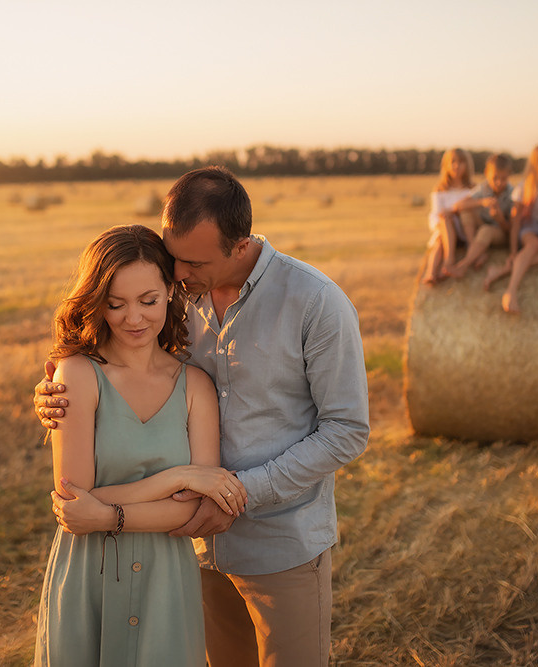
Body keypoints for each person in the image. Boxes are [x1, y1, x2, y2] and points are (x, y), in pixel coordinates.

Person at [35, 167, 370, 666]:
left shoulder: (315, 302)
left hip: (279, 542)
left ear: (240, 246)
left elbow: (346, 431)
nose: (177, 274)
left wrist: (236, 492)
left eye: (192, 262)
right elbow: (125, 359)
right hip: (188, 547)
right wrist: (58, 392)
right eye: (173, 257)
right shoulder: (177, 294)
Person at [33, 224, 247, 666]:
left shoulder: (194, 386)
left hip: (166, 582)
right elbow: (74, 503)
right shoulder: (77, 375)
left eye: (148, 301)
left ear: (171, 291)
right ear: (98, 303)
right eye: (116, 304)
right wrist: (179, 476)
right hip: (88, 578)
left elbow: (194, 511)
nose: (134, 319)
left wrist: (107, 514)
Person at [482, 143, 538, 313]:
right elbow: (516, 222)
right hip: (531, 228)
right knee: (533, 244)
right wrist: (513, 251)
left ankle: (504, 270)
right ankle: (510, 292)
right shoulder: (526, 186)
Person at [448, 153, 515, 279]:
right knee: (466, 211)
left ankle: (463, 265)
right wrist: (481, 202)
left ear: (509, 175)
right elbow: (458, 206)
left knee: (486, 230)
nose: (499, 183)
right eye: (495, 178)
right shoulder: (483, 188)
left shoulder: (512, 194)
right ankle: (476, 252)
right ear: (486, 173)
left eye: (504, 179)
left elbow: (511, 230)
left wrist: (500, 218)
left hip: (499, 232)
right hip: (481, 226)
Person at [421, 147, 475, 284]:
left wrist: (450, 213)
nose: (456, 166)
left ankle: (449, 260)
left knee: (446, 218)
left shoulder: (472, 189)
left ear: (467, 165)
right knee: (440, 238)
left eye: (461, 162)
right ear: (446, 166)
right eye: (453, 162)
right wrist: (439, 226)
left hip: (463, 232)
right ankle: (431, 273)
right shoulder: (440, 190)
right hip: (444, 231)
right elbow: (434, 215)